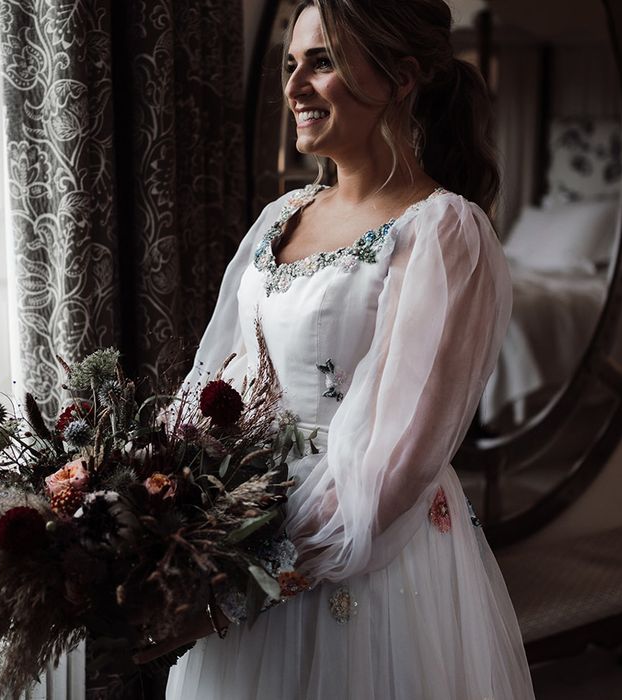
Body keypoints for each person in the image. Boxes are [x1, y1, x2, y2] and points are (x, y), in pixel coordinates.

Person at [166, 0, 535, 697]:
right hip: (240, 528)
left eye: (323, 61)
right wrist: (172, 504)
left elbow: (403, 449)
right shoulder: (281, 215)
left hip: (359, 553)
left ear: (400, 79)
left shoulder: (443, 231)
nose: (294, 86)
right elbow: (220, 377)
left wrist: (264, 562)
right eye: (289, 64)